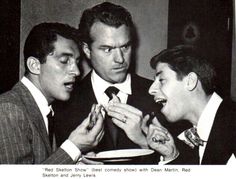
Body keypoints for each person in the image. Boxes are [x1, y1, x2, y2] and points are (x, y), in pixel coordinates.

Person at [54, 2, 160, 162]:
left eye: (125, 47)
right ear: (87, 50)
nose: (120, 59)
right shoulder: (64, 102)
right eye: (107, 49)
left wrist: (147, 144)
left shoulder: (157, 96)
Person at [0, 22, 104, 164]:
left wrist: (73, 166)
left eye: (77, 62)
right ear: (34, 65)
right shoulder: (9, 109)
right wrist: (73, 148)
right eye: (65, 61)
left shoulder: (44, 109)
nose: (77, 71)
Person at [145, 45, 236, 164]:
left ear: (191, 81)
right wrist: (171, 156)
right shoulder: (190, 138)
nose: (151, 90)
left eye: (161, 80)